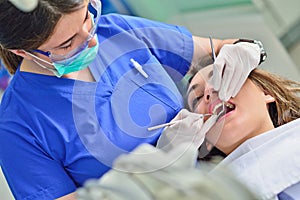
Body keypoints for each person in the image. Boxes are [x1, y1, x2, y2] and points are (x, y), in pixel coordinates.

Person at [0, 0, 263, 199]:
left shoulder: (117, 30)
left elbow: (217, 50)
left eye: (87, 18)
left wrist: (245, 49)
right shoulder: (17, 125)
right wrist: (152, 173)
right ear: (22, 51)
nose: (92, 40)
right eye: (68, 43)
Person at [159, 63, 300, 199]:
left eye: (221, 77)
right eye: (197, 98)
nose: (209, 90)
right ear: (205, 141)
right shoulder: (205, 192)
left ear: (266, 92)